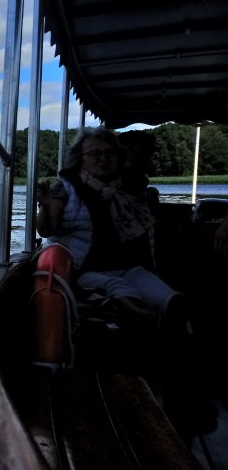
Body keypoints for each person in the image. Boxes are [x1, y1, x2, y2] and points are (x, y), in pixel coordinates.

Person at [35, 126, 180, 325]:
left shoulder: (126, 188)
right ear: (80, 158)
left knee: (172, 300)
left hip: (127, 267)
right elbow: (46, 230)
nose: (103, 159)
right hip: (84, 270)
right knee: (126, 295)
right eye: (95, 153)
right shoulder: (66, 187)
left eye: (110, 153)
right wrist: (45, 205)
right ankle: (155, 328)